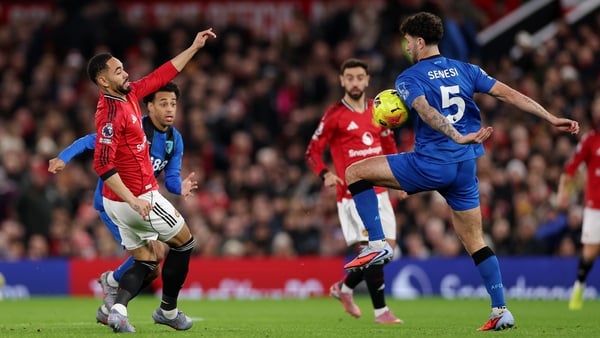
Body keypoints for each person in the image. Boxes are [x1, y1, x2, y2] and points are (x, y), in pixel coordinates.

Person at [342, 12, 579, 331]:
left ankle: (377, 243)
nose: (407, 46)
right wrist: (550, 118)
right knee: (474, 239)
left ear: (420, 41)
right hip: (464, 167)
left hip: (431, 163)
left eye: (409, 41)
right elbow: (509, 94)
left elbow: (425, 110)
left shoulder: (409, 77)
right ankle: (500, 310)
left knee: (355, 172)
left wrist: (454, 134)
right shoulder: (467, 69)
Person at [88, 28, 216, 333]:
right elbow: (101, 164)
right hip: (137, 197)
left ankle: (115, 310)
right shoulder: (109, 115)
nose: (126, 72)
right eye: (118, 70)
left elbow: (163, 74)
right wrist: (134, 199)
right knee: (185, 244)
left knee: (146, 262)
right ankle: (168, 312)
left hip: (120, 202)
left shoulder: (129, 95)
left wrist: (194, 47)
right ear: (103, 80)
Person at [47, 82, 198, 325]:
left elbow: (170, 178)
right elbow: (90, 141)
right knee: (156, 256)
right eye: (163, 103)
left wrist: (180, 187)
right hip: (114, 202)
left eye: (173, 104)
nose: (170, 109)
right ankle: (116, 284)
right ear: (149, 107)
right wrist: (64, 157)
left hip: (139, 201)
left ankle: (111, 308)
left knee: (153, 264)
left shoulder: (174, 139)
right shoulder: (133, 127)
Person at [305, 58, 404, 324]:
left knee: (387, 252)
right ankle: (381, 311)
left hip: (381, 191)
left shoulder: (379, 110)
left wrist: (400, 178)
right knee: (373, 251)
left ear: (368, 79)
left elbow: (389, 146)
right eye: (350, 77)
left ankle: (344, 288)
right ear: (341, 81)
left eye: (360, 77)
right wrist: (324, 173)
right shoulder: (334, 114)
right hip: (353, 195)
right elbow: (312, 151)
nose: (355, 82)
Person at [557, 96, 600, 310]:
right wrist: (563, 192)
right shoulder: (590, 140)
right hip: (595, 205)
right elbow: (571, 168)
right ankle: (579, 287)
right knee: (590, 252)